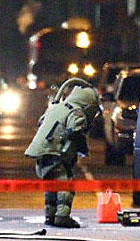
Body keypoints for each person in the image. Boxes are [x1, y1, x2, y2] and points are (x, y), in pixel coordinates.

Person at [25, 78, 102, 228]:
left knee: (51, 184)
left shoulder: (56, 107)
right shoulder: (76, 111)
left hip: (42, 151)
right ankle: (62, 215)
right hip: (56, 152)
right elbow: (76, 130)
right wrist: (82, 148)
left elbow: (41, 122)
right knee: (65, 184)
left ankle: (50, 215)